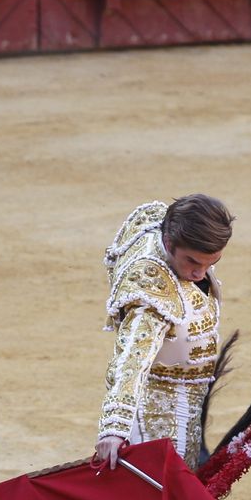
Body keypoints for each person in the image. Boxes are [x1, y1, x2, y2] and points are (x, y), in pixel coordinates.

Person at [93, 194, 234, 473]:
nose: (199, 273)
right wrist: (115, 427)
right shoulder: (151, 293)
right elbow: (131, 360)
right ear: (168, 243)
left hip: (186, 402)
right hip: (158, 416)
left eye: (210, 263)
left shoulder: (160, 222)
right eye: (192, 261)